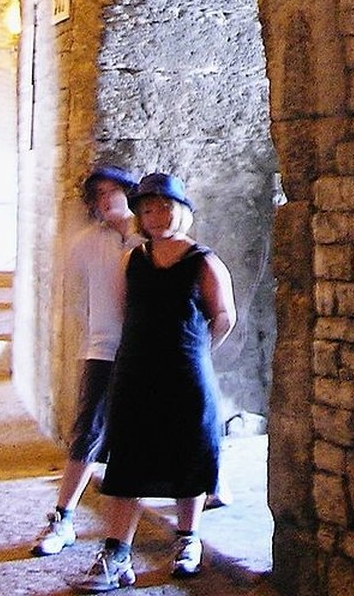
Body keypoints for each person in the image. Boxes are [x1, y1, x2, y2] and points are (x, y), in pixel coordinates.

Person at [70, 171, 237, 591]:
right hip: (137, 371)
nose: (157, 215)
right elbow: (125, 310)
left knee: (189, 452)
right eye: (148, 209)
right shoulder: (133, 260)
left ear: (181, 211)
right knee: (130, 459)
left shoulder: (203, 261)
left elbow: (223, 315)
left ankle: (187, 538)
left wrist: (197, 349)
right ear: (141, 218)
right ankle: (116, 553)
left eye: (165, 207)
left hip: (186, 371)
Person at [31, 165, 140, 557]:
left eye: (114, 191)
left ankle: (188, 523)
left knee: (151, 434)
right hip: (103, 349)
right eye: (99, 194)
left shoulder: (151, 239)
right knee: (87, 431)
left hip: (146, 350)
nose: (107, 199)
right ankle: (63, 517)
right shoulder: (88, 242)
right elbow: (68, 285)